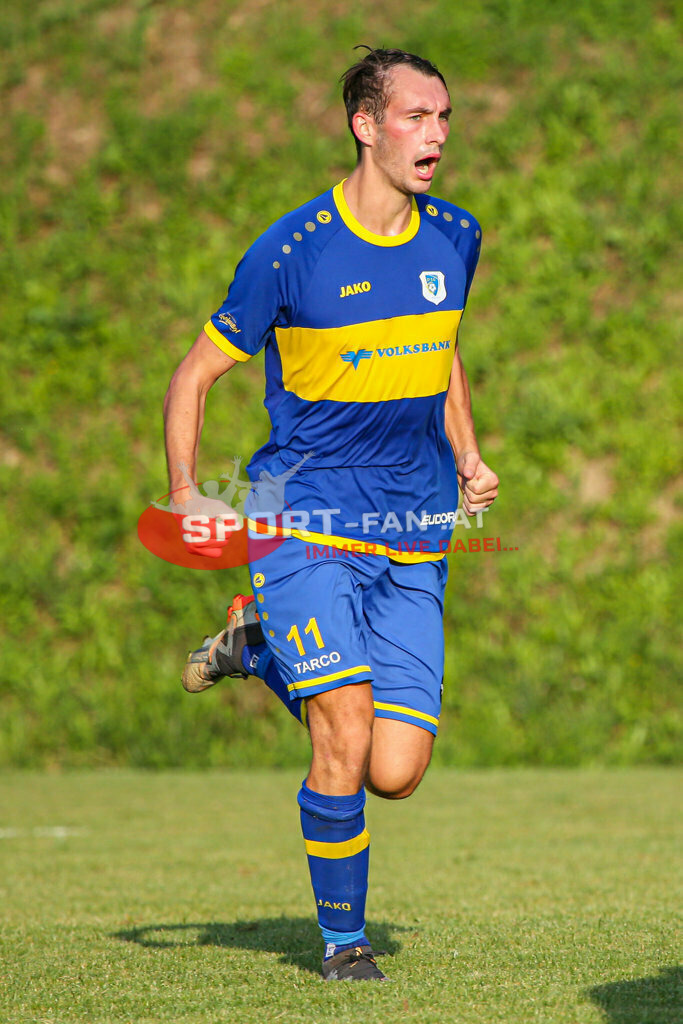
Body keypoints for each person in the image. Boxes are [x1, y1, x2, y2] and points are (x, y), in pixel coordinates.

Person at [163, 47, 499, 981]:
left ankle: (257, 645)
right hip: (300, 519)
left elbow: (440, 349)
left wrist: (466, 455)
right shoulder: (291, 251)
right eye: (415, 117)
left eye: (443, 117)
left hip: (412, 533)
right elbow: (193, 376)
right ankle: (344, 944)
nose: (435, 135)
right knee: (342, 733)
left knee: (394, 770)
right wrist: (190, 492)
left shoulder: (456, 235)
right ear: (364, 124)